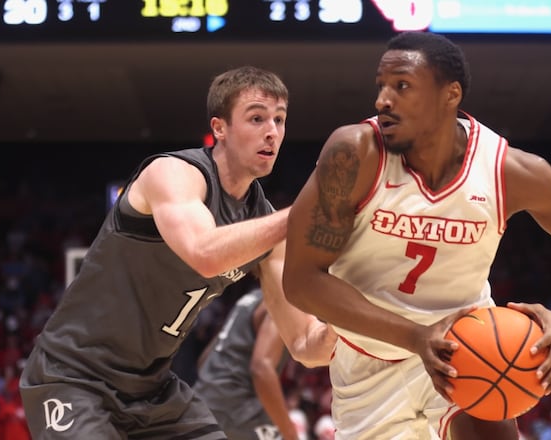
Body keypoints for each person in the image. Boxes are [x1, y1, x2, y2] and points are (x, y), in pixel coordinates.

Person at [282, 31, 551, 439]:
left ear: (450, 95)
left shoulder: (507, 171)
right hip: (370, 360)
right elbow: (301, 280)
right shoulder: (354, 154)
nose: (383, 100)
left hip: (468, 353)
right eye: (381, 86)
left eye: (402, 86)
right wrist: (416, 338)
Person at [19, 66, 336, 439]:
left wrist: (346, 322)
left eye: (280, 120)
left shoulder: (269, 228)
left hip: (151, 390)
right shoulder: (172, 173)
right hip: (74, 375)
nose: (272, 131)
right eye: (256, 118)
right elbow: (204, 254)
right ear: (220, 128)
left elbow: (304, 348)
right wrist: (305, 215)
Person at [192, 284, 300, 440]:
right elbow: (261, 369)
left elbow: (205, 357)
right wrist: (290, 433)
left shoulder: (250, 298)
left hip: (203, 396)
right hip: (238, 407)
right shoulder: (283, 302)